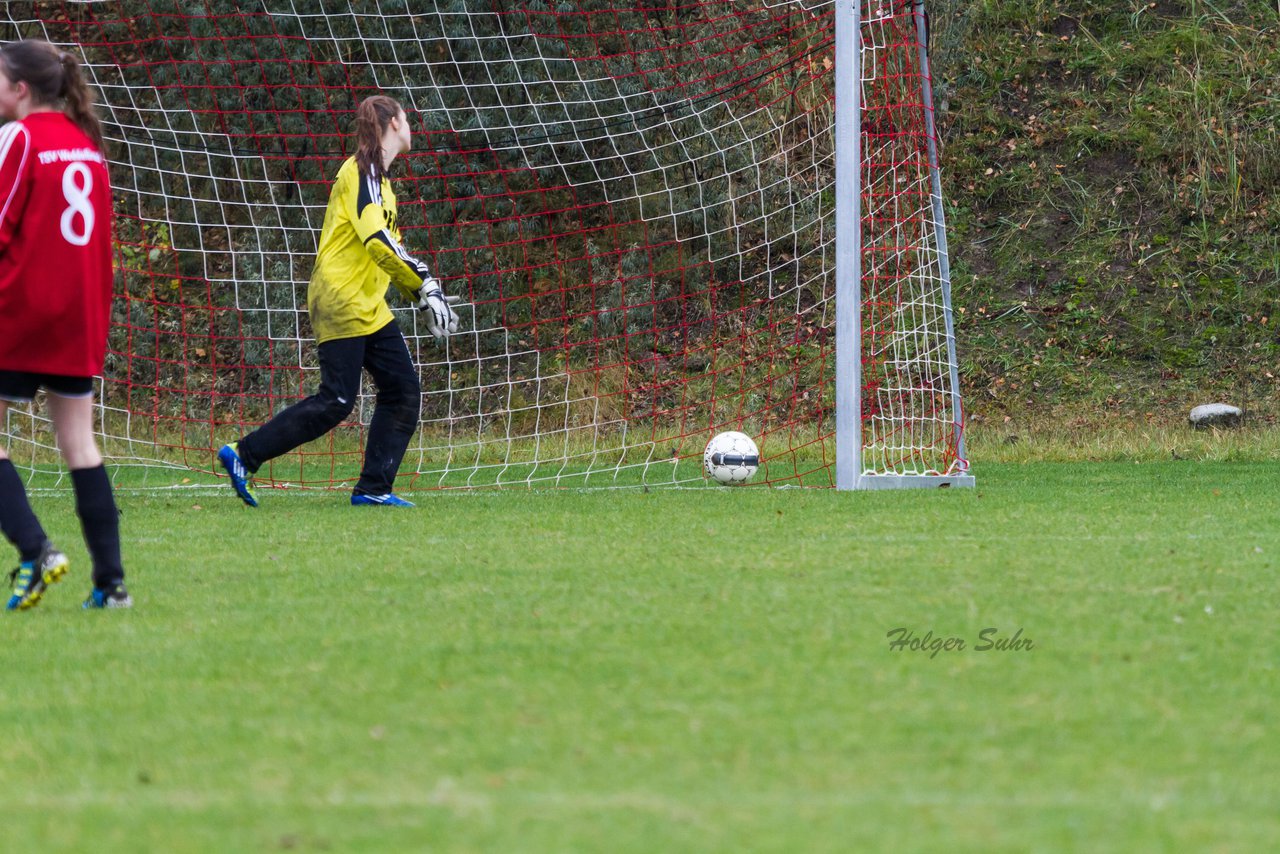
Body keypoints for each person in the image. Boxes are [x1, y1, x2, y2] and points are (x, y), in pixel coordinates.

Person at [217, 95, 459, 508]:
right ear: (395, 123)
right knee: (336, 401)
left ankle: (373, 489)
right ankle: (244, 454)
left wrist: (420, 291)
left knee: (402, 392)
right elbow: (379, 242)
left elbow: (389, 251)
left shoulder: (380, 182)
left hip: (368, 305)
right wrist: (425, 283)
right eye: (408, 118)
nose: (411, 125)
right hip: (342, 299)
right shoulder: (362, 173)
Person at [0, 39, 130, 610]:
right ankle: (112, 584)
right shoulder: (88, 148)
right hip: (76, 314)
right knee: (79, 442)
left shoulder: (19, 138)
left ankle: (36, 550)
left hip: (19, 310)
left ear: (20, 89)